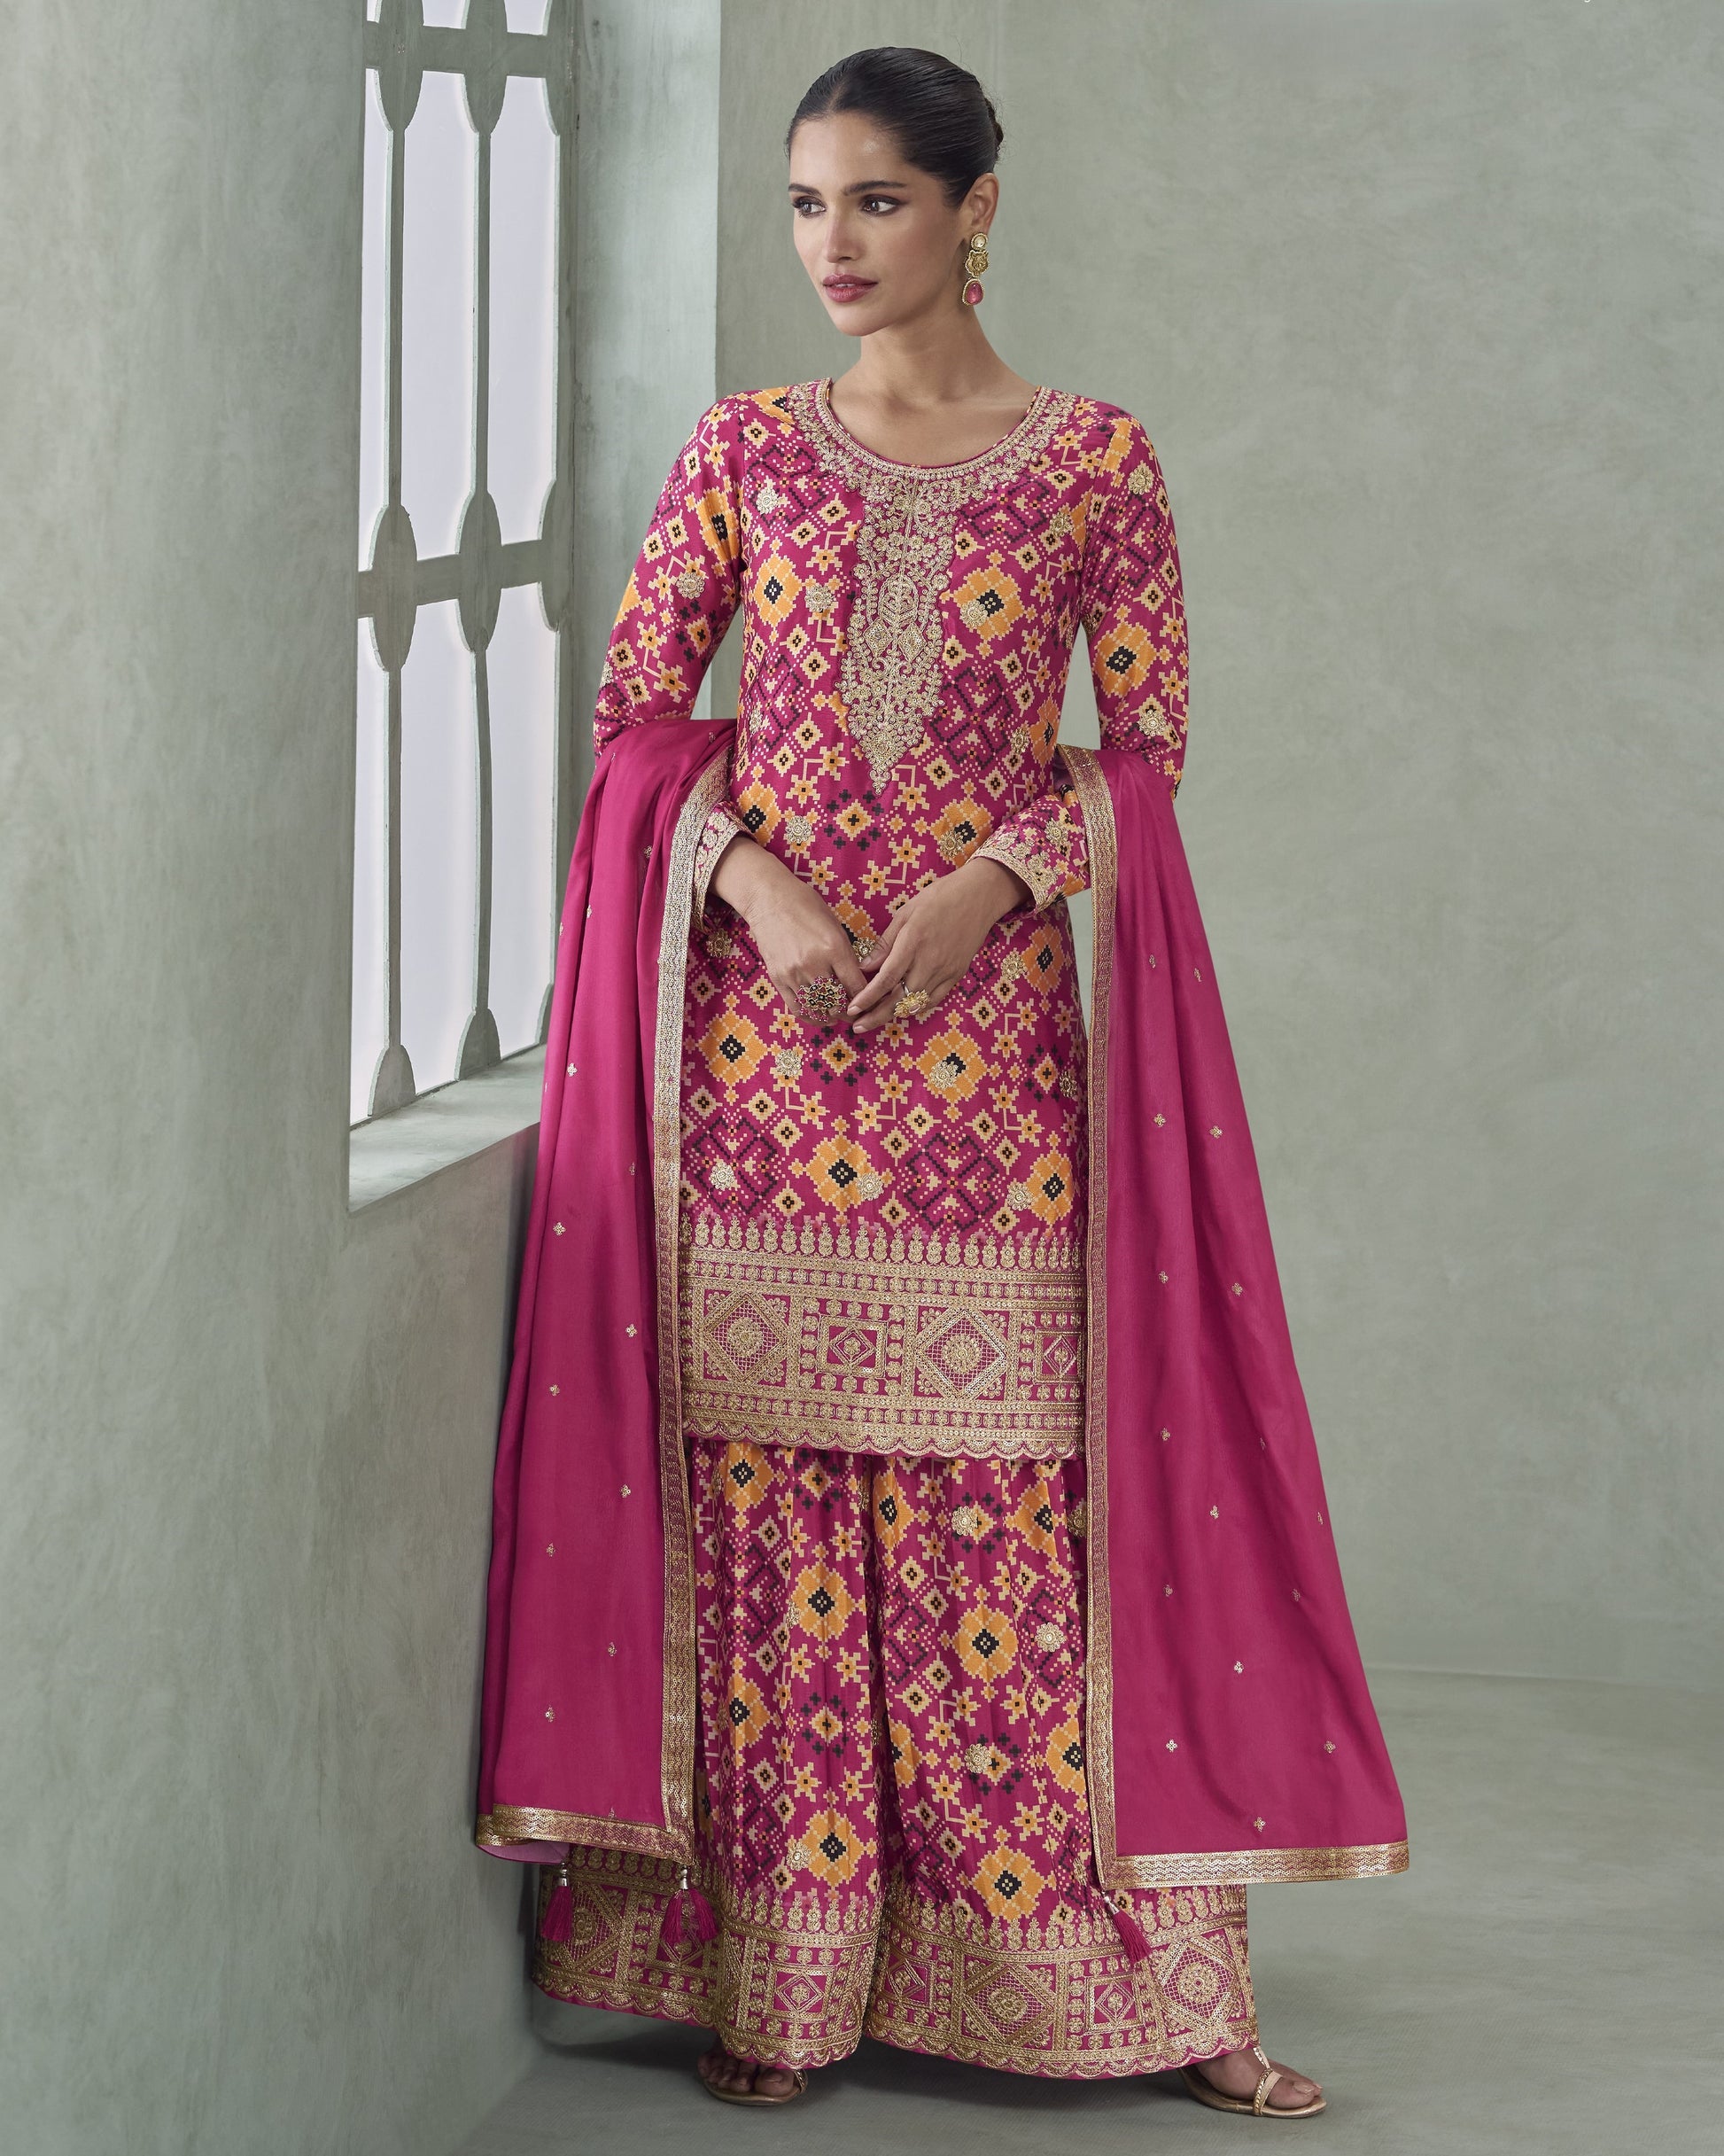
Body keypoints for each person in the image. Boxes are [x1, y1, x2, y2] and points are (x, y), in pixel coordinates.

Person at [474, 45, 1407, 2121]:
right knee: (776, 1510)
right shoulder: (742, 450)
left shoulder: (1095, 462)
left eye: (877, 200)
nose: (833, 242)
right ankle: (783, 1979)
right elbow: (636, 716)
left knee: (1016, 1517)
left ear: (976, 209)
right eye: (807, 203)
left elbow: (1146, 751)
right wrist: (763, 892)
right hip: (763, 1058)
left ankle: (1123, 1990)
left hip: (989, 1072)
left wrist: (994, 883)